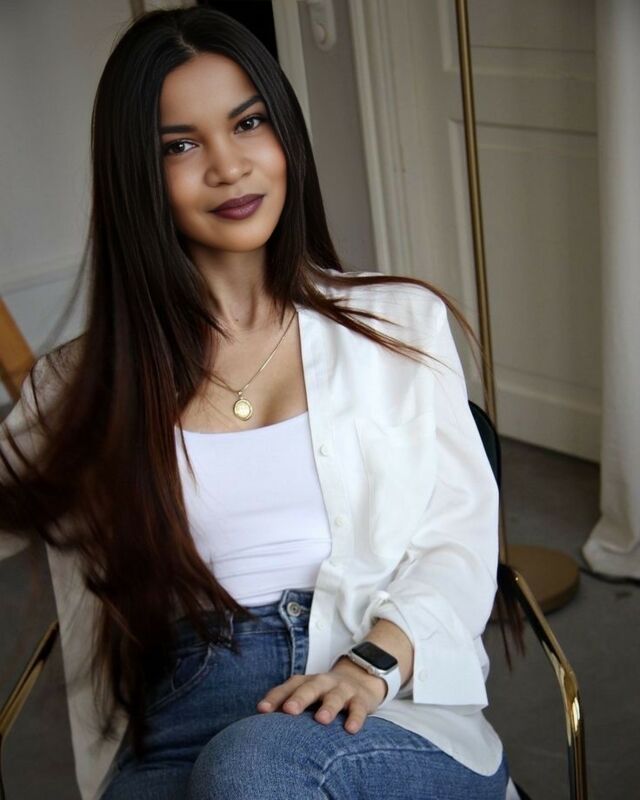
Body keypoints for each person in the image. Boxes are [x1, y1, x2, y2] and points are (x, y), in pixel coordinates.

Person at [0, 7, 516, 799]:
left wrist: (373, 661)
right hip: (173, 727)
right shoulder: (81, 383)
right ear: (137, 176)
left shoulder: (399, 326)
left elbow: (458, 540)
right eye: (180, 145)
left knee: (254, 767)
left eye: (248, 124)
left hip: (374, 707)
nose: (229, 166)